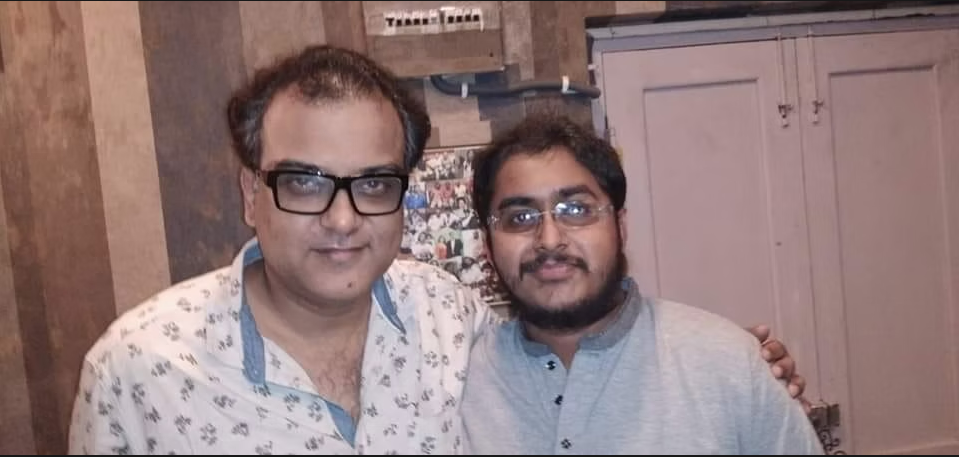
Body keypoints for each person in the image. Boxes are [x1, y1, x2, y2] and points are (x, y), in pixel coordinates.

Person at [68, 45, 805, 455]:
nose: (341, 218)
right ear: (249, 193)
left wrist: (735, 372)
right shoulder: (139, 370)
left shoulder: (451, 321)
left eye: (373, 183)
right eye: (305, 182)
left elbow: (574, 350)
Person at [461, 114, 824, 454]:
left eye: (576, 210)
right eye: (519, 218)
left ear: (620, 228)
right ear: (488, 248)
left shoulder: (729, 365)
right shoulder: (460, 386)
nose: (550, 239)